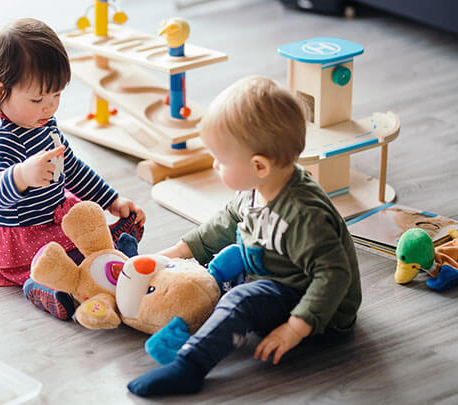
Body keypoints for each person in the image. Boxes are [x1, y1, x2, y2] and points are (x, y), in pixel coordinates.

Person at [127, 76, 361, 397]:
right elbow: (225, 221)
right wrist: (174, 253)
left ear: (259, 165)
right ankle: (187, 325)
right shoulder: (255, 188)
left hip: (319, 310)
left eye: (221, 160)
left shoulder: (304, 216)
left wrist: (295, 328)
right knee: (212, 278)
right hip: (272, 274)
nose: (214, 164)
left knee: (240, 299)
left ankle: (190, 365)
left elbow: (334, 275)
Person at [0, 18, 145, 321]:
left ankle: (111, 249)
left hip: (51, 215)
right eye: (37, 99)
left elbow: (71, 168)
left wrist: (111, 200)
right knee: (50, 263)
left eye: (57, 95)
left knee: (84, 227)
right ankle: (43, 288)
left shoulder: (43, 122)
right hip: (19, 235)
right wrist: (21, 175)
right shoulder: (0, 139)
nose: (49, 108)